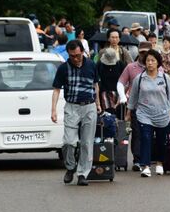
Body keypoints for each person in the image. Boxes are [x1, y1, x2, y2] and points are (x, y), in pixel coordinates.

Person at [51, 40, 102, 186]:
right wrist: (53, 110)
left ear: (83, 52)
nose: (75, 58)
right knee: (69, 142)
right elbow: (56, 89)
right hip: (71, 107)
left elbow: (96, 85)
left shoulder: (91, 65)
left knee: (87, 143)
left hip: (89, 106)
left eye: (78, 55)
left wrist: (98, 104)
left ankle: (82, 174)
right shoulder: (63, 68)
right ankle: (70, 166)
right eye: (72, 56)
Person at [125, 50, 170, 177]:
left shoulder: (165, 78)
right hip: (144, 114)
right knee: (146, 138)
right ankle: (146, 165)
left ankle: (159, 163)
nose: (150, 63)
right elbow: (133, 97)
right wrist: (128, 112)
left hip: (162, 113)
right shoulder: (139, 78)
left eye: (153, 60)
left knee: (161, 140)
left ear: (158, 63)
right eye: (148, 60)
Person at [117, 41, 154, 171]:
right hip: (136, 106)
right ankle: (138, 160)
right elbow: (121, 83)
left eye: (146, 52)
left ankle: (149, 158)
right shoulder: (131, 67)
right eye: (141, 52)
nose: (144, 55)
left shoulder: (156, 68)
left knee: (149, 134)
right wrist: (122, 96)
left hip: (154, 106)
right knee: (137, 133)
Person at [96, 47, 127, 117]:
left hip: (118, 93)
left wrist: (122, 95)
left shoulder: (120, 64)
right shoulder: (99, 65)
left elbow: (125, 80)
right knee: (107, 115)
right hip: (104, 93)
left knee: (119, 114)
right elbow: (96, 80)